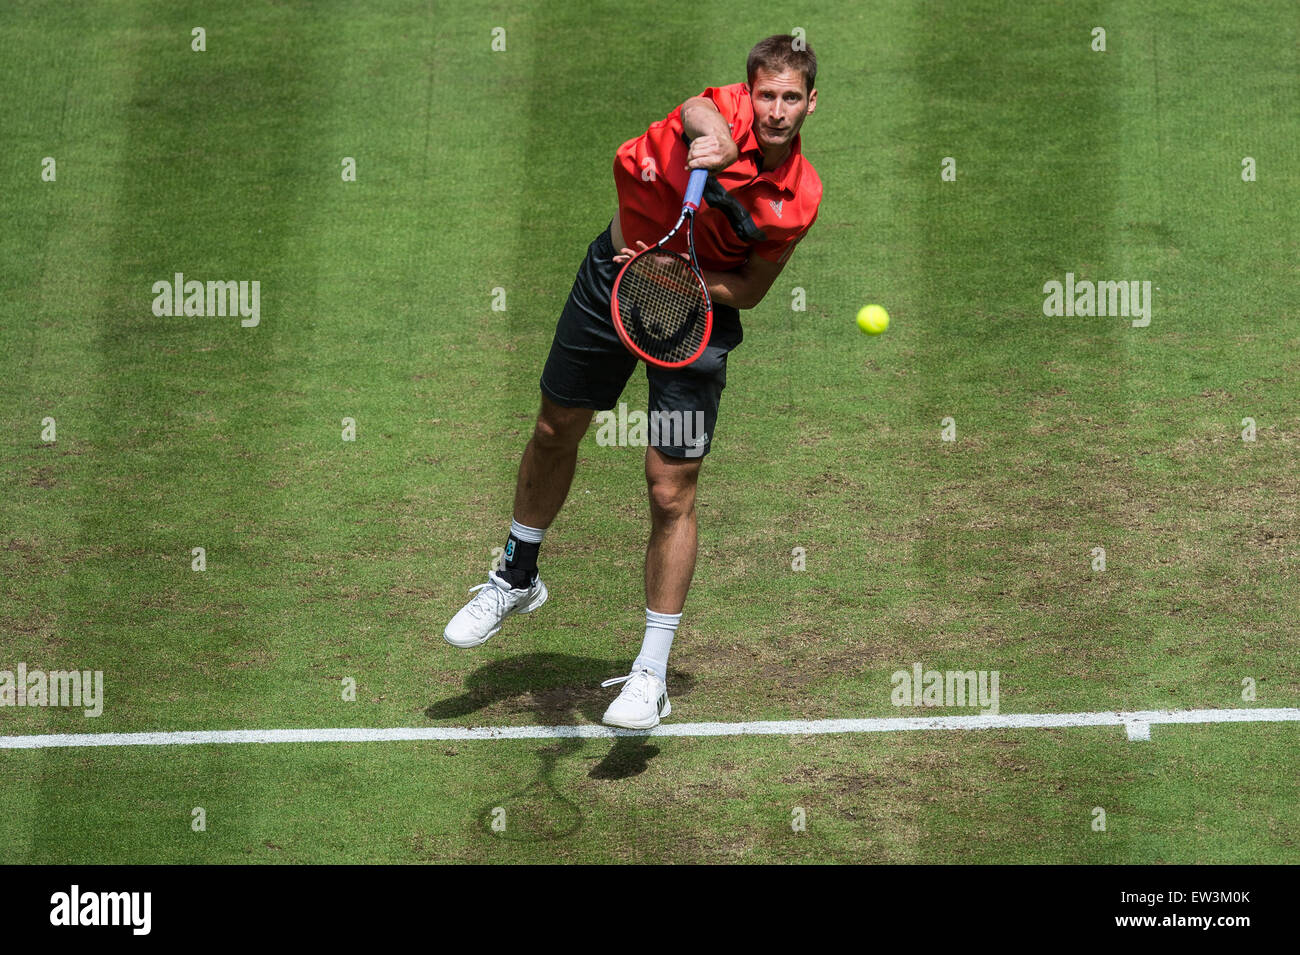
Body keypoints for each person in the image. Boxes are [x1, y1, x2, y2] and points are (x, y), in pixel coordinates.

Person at [444, 35, 822, 729]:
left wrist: (683, 279)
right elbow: (695, 113)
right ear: (747, 93)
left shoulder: (797, 198)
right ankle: (516, 576)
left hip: (694, 321)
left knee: (668, 485)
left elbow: (753, 286)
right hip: (608, 285)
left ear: (810, 103)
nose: (775, 110)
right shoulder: (717, 115)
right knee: (555, 427)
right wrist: (717, 146)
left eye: (790, 98)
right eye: (765, 95)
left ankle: (650, 674)